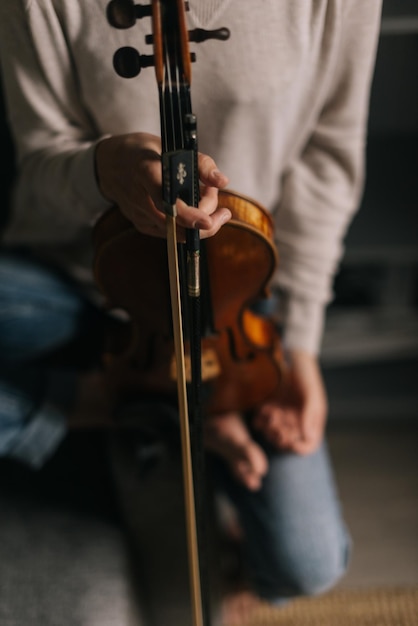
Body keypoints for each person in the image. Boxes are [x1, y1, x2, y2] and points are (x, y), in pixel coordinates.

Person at [0, 0, 382, 623]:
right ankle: (92, 401)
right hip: (78, 277)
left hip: (229, 300)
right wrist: (101, 170)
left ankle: (162, 403)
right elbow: (41, 159)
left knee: (305, 564)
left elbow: (327, 166)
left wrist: (303, 347)